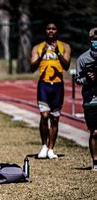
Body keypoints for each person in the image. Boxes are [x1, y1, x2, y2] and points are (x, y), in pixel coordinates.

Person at [30, 21, 71, 159]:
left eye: (53, 29)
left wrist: (58, 53)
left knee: (55, 119)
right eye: (48, 29)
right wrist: (41, 55)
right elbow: (32, 67)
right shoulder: (38, 47)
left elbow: (66, 66)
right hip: (44, 85)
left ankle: (51, 149)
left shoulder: (64, 46)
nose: (51, 31)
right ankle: (43, 145)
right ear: (45, 31)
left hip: (58, 85)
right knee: (44, 116)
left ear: (57, 30)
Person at [76, 27, 97, 170]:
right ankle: (95, 162)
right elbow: (78, 79)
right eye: (95, 39)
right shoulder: (83, 59)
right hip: (91, 101)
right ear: (91, 40)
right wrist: (87, 80)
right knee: (95, 132)